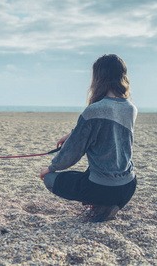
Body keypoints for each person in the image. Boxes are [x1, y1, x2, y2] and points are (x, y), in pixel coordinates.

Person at [40, 54, 138, 222]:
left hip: (101, 188)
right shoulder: (131, 108)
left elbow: (73, 152)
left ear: (99, 78)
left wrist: (51, 168)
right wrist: (73, 133)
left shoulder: (94, 110)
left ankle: (100, 203)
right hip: (128, 186)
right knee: (96, 170)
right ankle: (106, 207)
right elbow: (107, 129)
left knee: (50, 179)